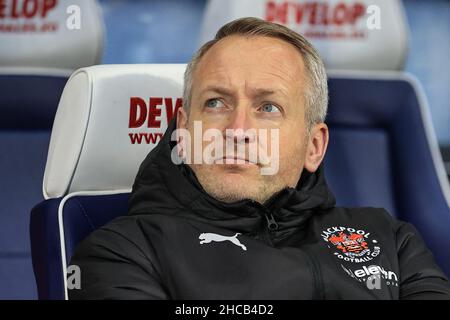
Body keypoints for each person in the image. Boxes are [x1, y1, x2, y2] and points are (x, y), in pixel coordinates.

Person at [69, 17, 450, 299]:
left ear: (313, 147)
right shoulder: (122, 252)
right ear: (183, 132)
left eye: (268, 107)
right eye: (215, 102)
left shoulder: (391, 240)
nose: (237, 129)